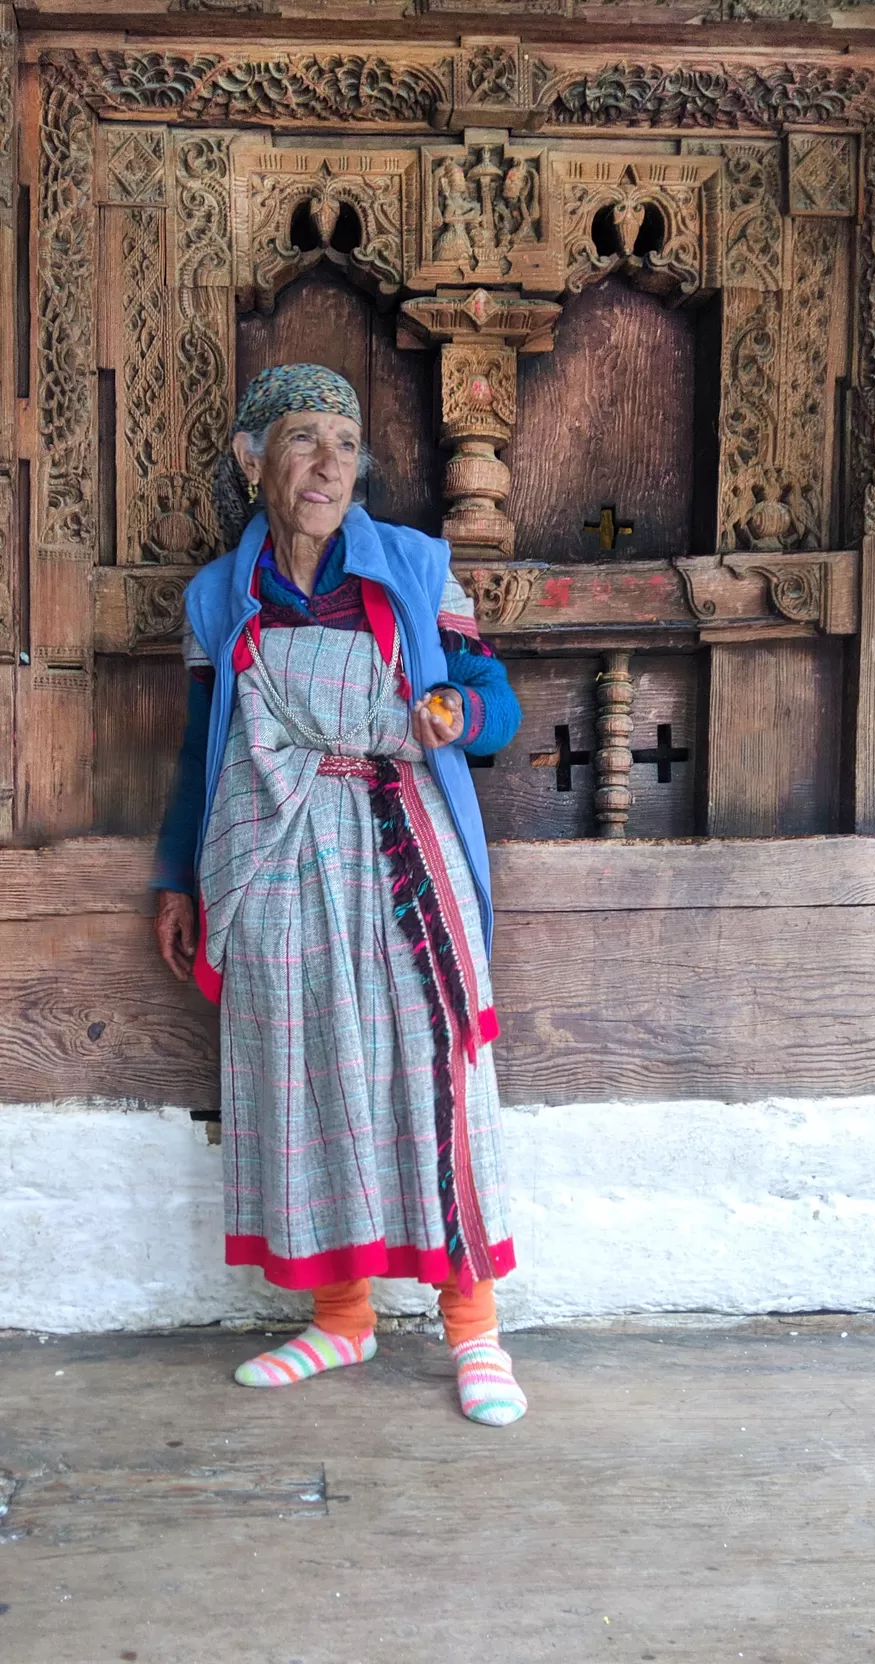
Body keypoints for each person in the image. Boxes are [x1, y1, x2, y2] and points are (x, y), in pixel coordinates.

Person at [153, 363, 526, 1427]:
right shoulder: (221, 597)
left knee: (432, 1070)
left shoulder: (411, 566)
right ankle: (342, 1313)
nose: (328, 464)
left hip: (401, 851)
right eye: (305, 438)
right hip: (275, 855)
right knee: (301, 1070)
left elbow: (492, 700)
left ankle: (474, 1327)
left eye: (346, 443)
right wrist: (175, 875)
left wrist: (456, 709)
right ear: (251, 456)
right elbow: (200, 750)